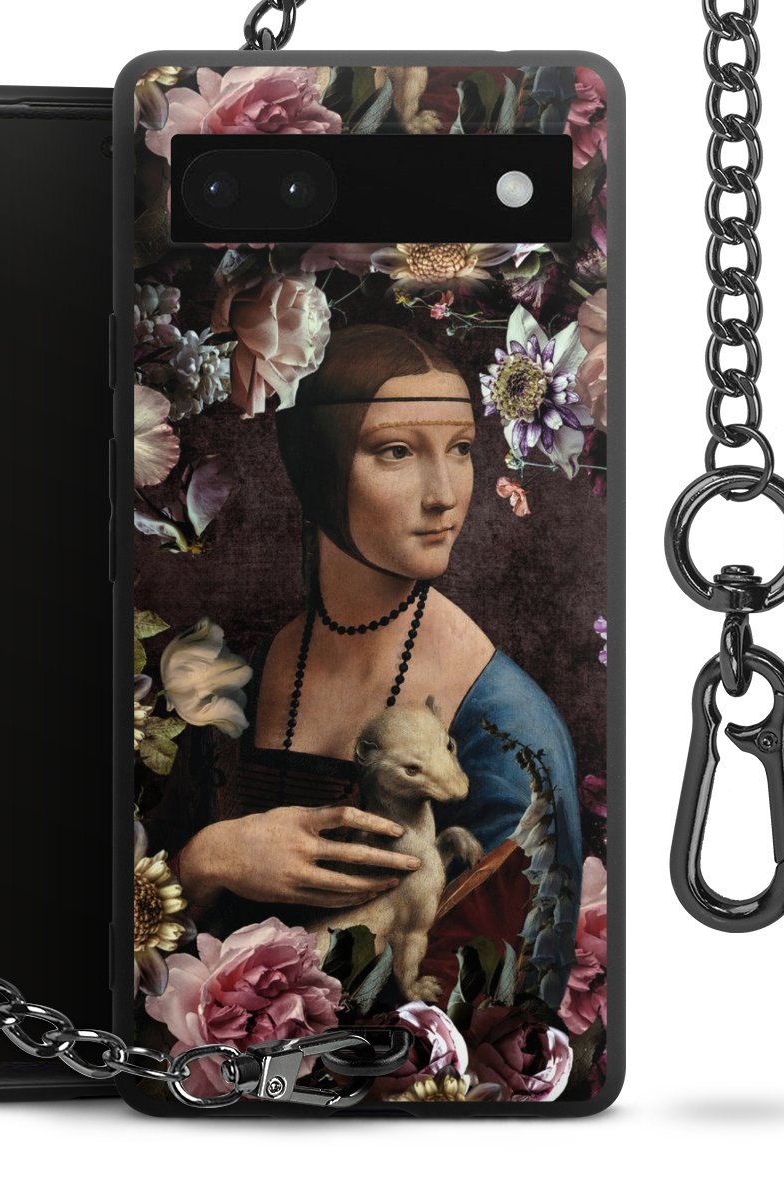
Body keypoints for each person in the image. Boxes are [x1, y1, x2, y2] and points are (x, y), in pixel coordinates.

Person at [144, 324, 581, 989]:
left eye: (462, 449)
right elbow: (137, 950)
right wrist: (209, 860)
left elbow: (507, 999)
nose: (443, 493)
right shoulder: (236, 678)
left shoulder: (507, 729)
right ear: (319, 465)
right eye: (398, 451)